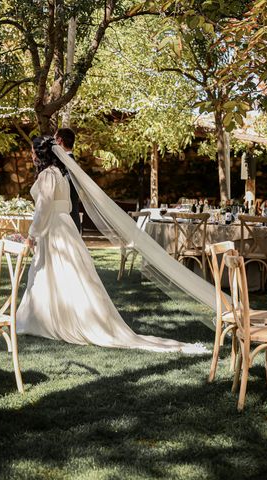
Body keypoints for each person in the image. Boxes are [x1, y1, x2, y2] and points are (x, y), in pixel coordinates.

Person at [16, 135, 204, 353]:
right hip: (63, 225)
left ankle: (52, 320)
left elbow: (44, 207)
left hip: (55, 228)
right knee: (61, 273)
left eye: (32, 151)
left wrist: (32, 233)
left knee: (55, 272)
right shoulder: (60, 174)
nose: (30, 155)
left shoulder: (48, 174)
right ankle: (45, 318)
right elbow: (64, 204)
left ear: (39, 154)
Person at [54, 128, 81, 233]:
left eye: (54, 140)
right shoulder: (70, 162)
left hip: (67, 220)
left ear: (59, 140)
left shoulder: (66, 164)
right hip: (68, 217)